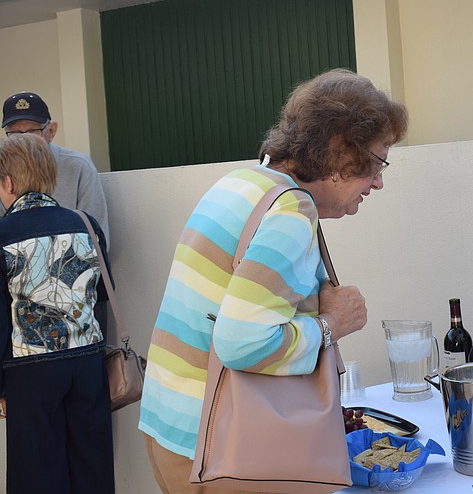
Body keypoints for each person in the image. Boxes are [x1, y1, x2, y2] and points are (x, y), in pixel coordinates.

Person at [138, 68, 408, 493]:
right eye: (376, 162)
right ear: (339, 154)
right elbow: (243, 342)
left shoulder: (240, 183)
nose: (378, 182)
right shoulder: (289, 213)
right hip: (221, 449)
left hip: (171, 427)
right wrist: (332, 324)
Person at [0, 134, 114, 493]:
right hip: (87, 364)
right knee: (91, 466)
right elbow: (100, 298)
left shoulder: (3, 234)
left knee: (36, 473)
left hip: (29, 370)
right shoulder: (87, 225)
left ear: (8, 182)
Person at [2, 91, 109, 246]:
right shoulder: (3, 168)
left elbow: (98, 236)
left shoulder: (78, 166)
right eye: (15, 133)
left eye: (32, 131)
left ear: (51, 131)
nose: (24, 139)